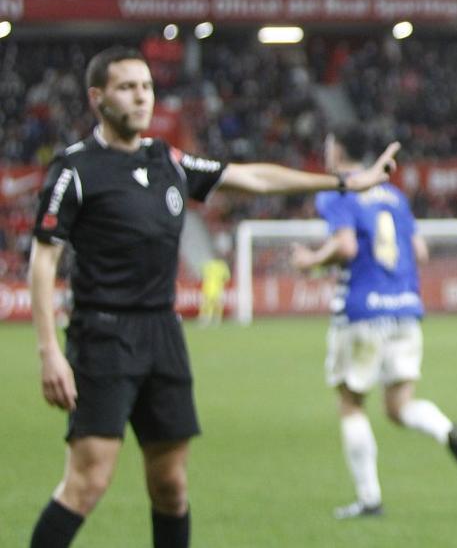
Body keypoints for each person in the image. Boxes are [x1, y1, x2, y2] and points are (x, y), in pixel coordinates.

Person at [28, 46, 400, 548]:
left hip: (163, 333)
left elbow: (250, 176)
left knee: (171, 485)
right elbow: (43, 259)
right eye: (126, 87)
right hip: (102, 336)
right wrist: (49, 350)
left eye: (146, 87)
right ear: (97, 98)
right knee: (88, 482)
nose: (140, 97)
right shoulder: (75, 169)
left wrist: (345, 182)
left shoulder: (168, 160)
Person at [289, 124, 457, 519]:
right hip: (405, 309)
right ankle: (447, 431)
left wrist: (310, 261)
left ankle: (369, 499)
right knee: (399, 406)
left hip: (362, 310)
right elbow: (421, 252)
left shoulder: (340, 189)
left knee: (351, 403)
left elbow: (345, 245)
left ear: (337, 149)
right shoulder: (394, 196)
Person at [196, 257, 230, 326]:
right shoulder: (222, 266)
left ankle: (205, 320)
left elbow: (200, 274)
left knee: (206, 305)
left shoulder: (207, 265)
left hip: (207, 289)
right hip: (217, 289)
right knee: (217, 305)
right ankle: (216, 320)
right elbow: (227, 278)